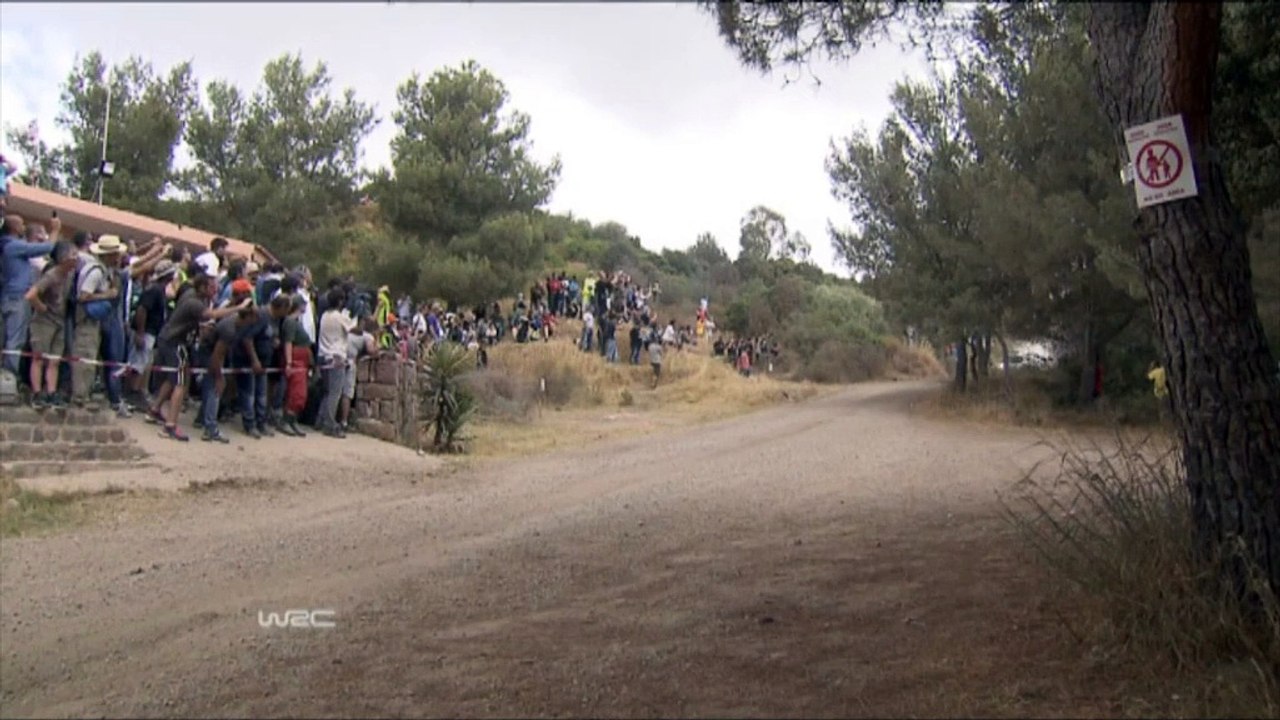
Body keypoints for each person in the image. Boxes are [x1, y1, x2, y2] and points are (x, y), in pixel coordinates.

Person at [146, 274, 249, 441]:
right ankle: (170, 425)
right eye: (212, 287)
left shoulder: (192, 295)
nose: (215, 290)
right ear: (202, 287)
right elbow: (211, 314)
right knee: (181, 383)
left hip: (169, 338)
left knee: (175, 378)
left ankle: (155, 409)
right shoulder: (194, 302)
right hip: (175, 342)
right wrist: (238, 308)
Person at [23, 241, 77, 408]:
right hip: (44, 322)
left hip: (59, 321)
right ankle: (37, 393)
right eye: (73, 255)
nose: (76, 258)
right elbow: (31, 295)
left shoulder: (69, 275)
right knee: (38, 358)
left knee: (54, 360)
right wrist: (41, 307)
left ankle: (51, 392)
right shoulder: (51, 275)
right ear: (63, 258)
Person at [316, 289, 356, 438]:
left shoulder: (324, 316)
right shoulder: (340, 317)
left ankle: (320, 420)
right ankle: (330, 424)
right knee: (335, 393)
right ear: (340, 301)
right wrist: (355, 317)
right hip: (337, 356)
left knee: (327, 391)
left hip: (323, 355)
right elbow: (353, 329)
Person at [279, 294, 312, 437]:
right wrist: (289, 363)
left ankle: (293, 421)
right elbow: (288, 342)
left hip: (302, 360)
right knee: (296, 393)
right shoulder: (291, 322)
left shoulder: (296, 322)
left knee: (299, 393)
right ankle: (286, 421)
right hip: (296, 359)